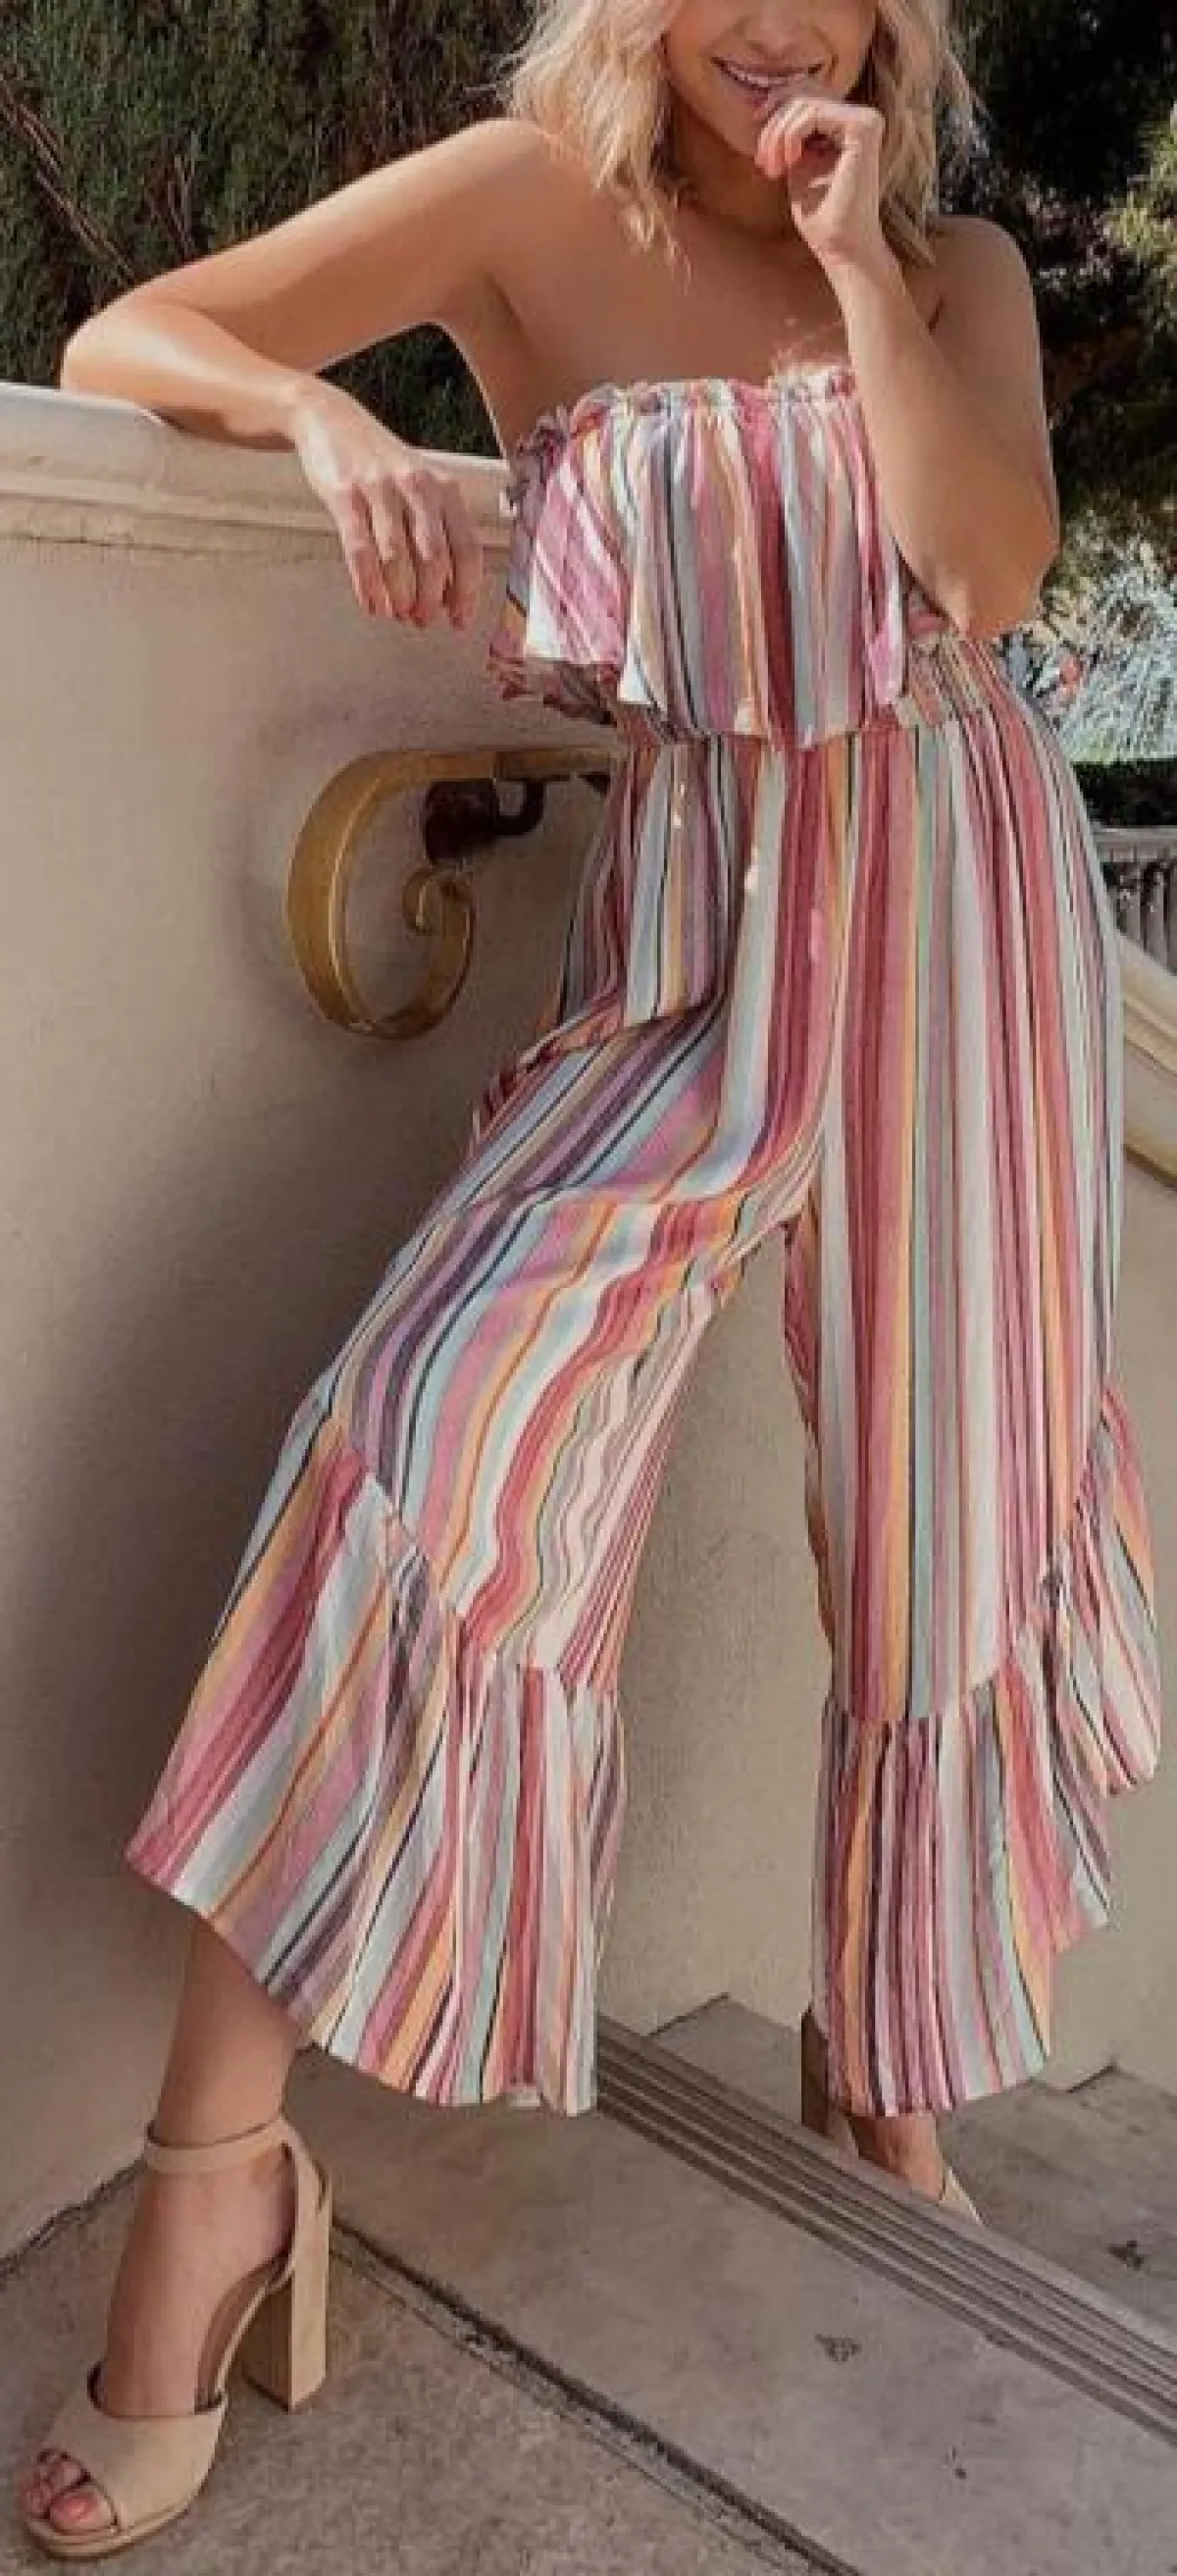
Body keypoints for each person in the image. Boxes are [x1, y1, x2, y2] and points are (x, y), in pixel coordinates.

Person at [19, 0, 1164, 2555]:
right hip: (692, 946)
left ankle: (886, 2080)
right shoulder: (525, 205)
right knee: (432, 1440)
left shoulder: (955, 266)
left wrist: (861, 268)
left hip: (964, 913)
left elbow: (986, 574)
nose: (779, 18)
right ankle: (218, 2183)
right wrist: (318, 424)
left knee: (943, 1533)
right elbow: (132, 339)